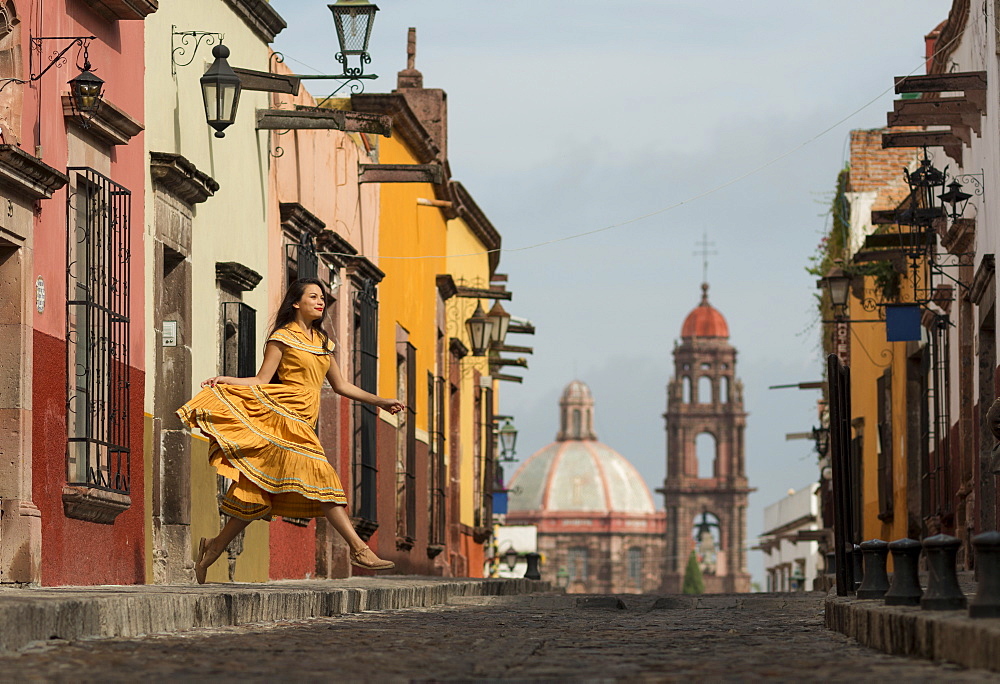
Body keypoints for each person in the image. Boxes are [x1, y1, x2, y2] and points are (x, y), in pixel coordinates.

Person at [176, 278, 404, 584]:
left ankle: (213, 547)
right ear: (296, 303)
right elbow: (261, 379)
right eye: (313, 296)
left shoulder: (323, 342)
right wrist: (228, 380)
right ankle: (359, 549)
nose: (321, 302)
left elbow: (341, 386)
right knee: (324, 478)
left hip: (304, 422)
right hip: (284, 418)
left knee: (258, 493)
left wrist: (381, 401)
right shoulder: (282, 337)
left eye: (322, 297)